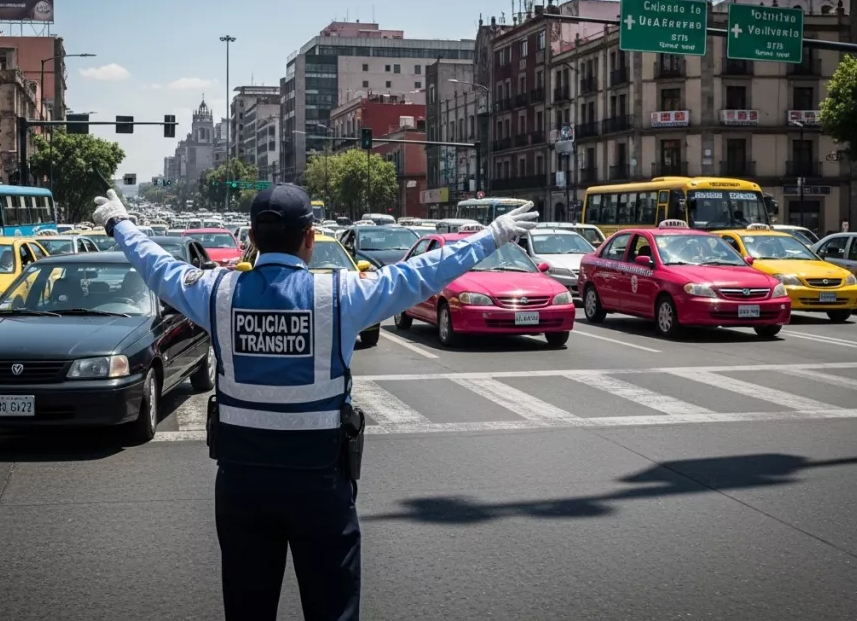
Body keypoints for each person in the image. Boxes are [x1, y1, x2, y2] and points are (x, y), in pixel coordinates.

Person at [93, 185, 537, 621]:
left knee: (248, 607)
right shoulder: (341, 295)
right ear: (309, 238)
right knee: (332, 606)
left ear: (250, 237)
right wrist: (492, 234)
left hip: (241, 483)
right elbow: (422, 273)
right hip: (320, 484)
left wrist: (120, 223)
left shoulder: (217, 293)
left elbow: (157, 267)